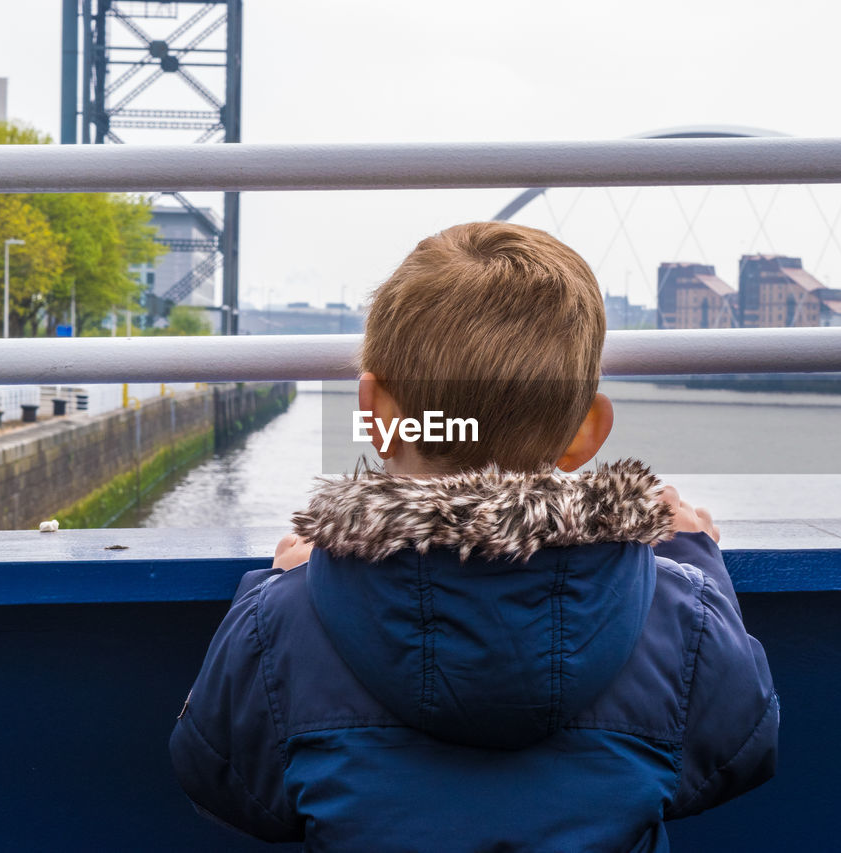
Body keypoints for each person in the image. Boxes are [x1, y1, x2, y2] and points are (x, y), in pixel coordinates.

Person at [169, 222, 778, 851]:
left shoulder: (281, 625)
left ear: (375, 415)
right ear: (587, 432)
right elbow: (741, 744)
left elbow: (224, 779)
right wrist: (693, 563)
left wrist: (274, 589)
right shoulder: (681, 616)